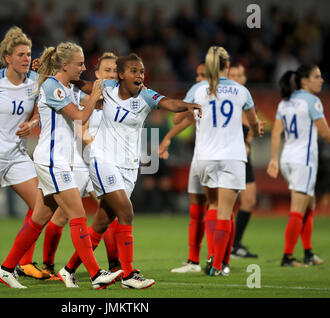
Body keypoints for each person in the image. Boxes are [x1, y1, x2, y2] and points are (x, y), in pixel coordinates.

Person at [60, 53, 202, 289]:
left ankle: (68, 269)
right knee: (127, 212)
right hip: (103, 160)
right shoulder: (106, 87)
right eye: (134, 71)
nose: (140, 75)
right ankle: (128, 275)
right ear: (121, 74)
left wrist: (188, 105)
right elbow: (82, 85)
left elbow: (169, 103)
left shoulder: (146, 95)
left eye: (142, 71)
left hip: (128, 167)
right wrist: (61, 75)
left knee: (102, 223)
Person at [0, 42, 123, 289]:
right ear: (64, 65)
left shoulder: (65, 86)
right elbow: (80, 116)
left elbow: (94, 105)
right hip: (53, 161)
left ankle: (6, 269)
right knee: (77, 214)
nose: (84, 68)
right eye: (80, 63)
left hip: (58, 160)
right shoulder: (54, 86)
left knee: (39, 218)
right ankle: (95, 274)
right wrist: (95, 94)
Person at [40, 52, 122, 276]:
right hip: (77, 162)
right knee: (61, 215)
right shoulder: (84, 94)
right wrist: (87, 137)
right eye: (107, 71)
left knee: (109, 210)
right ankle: (48, 264)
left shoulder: (115, 101)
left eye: (115, 71)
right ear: (97, 74)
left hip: (97, 165)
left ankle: (115, 264)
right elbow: (76, 121)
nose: (111, 75)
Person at [0, 27, 46, 279]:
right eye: (20, 55)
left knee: (41, 206)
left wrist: (33, 123)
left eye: (28, 54)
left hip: (17, 155)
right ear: (7, 58)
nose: (26, 59)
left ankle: (23, 263)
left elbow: (41, 110)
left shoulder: (36, 82)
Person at [186, 46, 263, 276]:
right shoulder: (241, 91)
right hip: (233, 156)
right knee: (226, 211)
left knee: (212, 204)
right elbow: (252, 123)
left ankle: (211, 256)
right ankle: (218, 265)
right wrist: (257, 128)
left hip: (206, 157)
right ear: (227, 66)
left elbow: (181, 112)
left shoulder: (198, 89)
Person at [267, 65, 330, 267]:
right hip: (304, 161)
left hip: (287, 159)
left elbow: (276, 132)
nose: (321, 80)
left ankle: (309, 254)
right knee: (297, 210)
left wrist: (274, 159)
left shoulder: (285, 102)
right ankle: (287, 257)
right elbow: (325, 133)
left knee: (309, 205)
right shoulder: (312, 102)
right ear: (304, 81)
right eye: (317, 77)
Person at [160, 63, 209, 273]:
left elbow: (179, 116)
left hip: (214, 156)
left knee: (218, 208)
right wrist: (169, 137)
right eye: (197, 75)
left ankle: (217, 261)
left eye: (203, 75)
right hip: (205, 156)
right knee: (203, 207)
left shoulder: (199, 91)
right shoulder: (234, 92)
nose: (198, 79)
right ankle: (197, 261)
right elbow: (185, 119)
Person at [228, 64, 258, 259]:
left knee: (249, 200)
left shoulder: (245, 98)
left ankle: (235, 244)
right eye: (233, 75)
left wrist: (252, 134)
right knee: (224, 203)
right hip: (231, 154)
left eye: (240, 75)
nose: (237, 78)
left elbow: (252, 126)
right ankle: (223, 247)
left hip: (245, 154)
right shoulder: (226, 99)